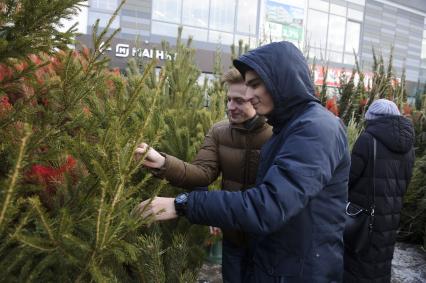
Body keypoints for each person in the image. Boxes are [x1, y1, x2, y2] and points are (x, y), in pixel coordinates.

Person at [135, 41, 351, 282]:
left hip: (299, 269)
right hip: (270, 259)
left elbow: (267, 206)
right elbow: (203, 172)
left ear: (282, 79)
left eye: (254, 86)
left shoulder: (315, 129)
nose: (246, 97)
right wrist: (163, 163)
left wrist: (181, 204)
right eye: (238, 93)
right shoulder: (285, 129)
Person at [136, 68, 272, 283]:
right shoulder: (219, 131)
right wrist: (162, 162)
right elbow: (201, 174)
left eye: (239, 101)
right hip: (234, 238)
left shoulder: (278, 135)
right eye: (228, 100)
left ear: (257, 100)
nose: (230, 107)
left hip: (269, 242)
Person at [344, 99, 415, 282]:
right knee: (381, 261)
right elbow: (406, 181)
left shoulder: (367, 140)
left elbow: (349, 178)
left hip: (364, 215)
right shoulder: (409, 147)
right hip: (391, 215)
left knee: (358, 262)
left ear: (372, 118)